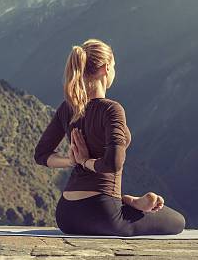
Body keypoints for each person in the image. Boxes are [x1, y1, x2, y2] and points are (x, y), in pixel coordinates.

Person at [33, 38, 185, 236]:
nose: (114, 70)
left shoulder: (67, 108)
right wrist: (84, 161)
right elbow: (113, 163)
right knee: (178, 222)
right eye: (113, 66)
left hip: (66, 214)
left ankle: (128, 201)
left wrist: (70, 161)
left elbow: (41, 154)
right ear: (105, 68)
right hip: (102, 212)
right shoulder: (111, 109)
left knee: (122, 207)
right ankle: (128, 202)